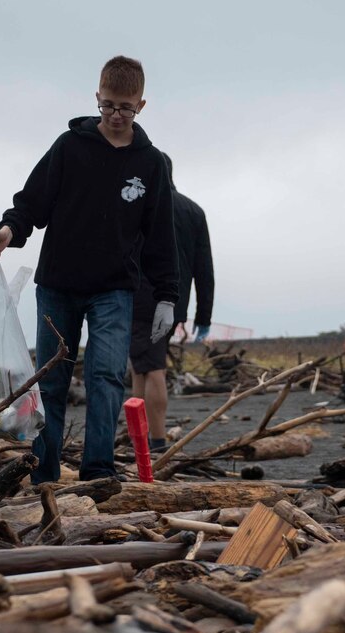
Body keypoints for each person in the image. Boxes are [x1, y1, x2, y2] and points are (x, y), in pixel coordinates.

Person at [0, 56, 178, 483]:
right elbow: (31, 203)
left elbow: (162, 236)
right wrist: (8, 232)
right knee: (50, 383)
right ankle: (44, 476)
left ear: (141, 106)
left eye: (125, 108)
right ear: (97, 98)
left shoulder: (150, 165)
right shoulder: (68, 147)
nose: (115, 115)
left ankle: (97, 472)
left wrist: (167, 296)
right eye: (108, 105)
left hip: (115, 289)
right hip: (58, 285)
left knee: (106, 376)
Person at [130, 152, 215, 452]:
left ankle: (156, 441)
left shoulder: (144, 207)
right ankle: (139, 439)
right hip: (175, 302)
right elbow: (205, 270)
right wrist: (202, 317)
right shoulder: (194, 211)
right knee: (142, 366)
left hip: (142, 299)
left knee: (151, 368)